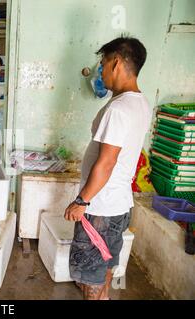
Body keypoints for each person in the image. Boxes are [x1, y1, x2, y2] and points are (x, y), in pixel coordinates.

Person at [64, 36, 151, 300]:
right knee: (105, 266)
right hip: (119, 204)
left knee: (91, 275)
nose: (100, 71)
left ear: (116, 63)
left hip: (100, 208)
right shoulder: (140, 103)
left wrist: (82, 201)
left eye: (102, 64)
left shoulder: (119, 109)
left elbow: (107, 161)